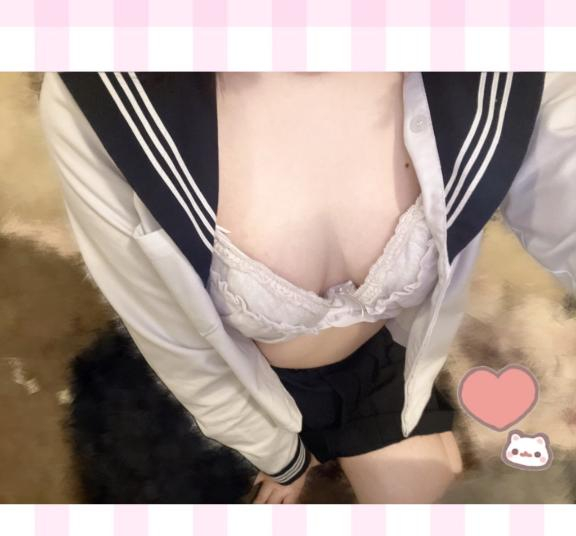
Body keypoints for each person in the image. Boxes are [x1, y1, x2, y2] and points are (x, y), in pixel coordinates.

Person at [39, 71, 576, 503]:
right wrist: (282, 458)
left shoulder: (507, 66)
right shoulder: (98, 98)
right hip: (254, 384)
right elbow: (180, 350)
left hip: (387, 369)